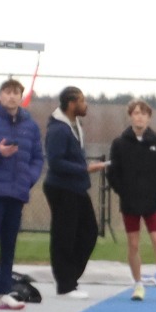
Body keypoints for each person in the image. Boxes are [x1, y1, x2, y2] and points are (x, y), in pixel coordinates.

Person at [0, 77, 44, 310]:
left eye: (16, 92)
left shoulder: (30, 126)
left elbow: (37, 157)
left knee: (9, 244)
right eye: (7, 92)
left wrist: (28, 179)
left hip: (17, 193)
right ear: (0, 95)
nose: (12, 96)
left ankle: (5, 290)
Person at [106, 99, 156, 302]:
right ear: (131, 116)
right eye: (136, 113)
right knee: (133, 245)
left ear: (149, 117)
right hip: (130, 204)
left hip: (152, 204)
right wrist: (125, 192)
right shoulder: (119, 144)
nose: (139, 116)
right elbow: (113, 174)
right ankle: (138, 285)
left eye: (143, 113)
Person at [43, 86, 105, 300]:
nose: (85, 104)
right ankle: (65, 284)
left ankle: (70, 277)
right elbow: (56, 162)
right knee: (64, 236)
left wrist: (85, 168)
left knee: (89, 232)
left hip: (76, 187)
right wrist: (86, 169)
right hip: (61, 188)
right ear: (71, 104)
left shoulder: (75, 124)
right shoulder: (58, 130)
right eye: (82, 100)